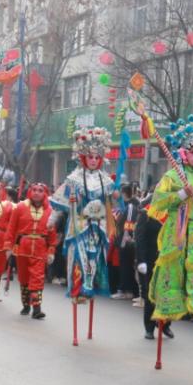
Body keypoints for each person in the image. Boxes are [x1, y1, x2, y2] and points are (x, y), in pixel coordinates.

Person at [147, 116, 193, 327]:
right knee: (173, 268)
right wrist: (181, 194)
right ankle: (168, 309)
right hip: (178, 230)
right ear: (183, 153)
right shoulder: (173, 176)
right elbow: (157, 203)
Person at [52, 127, 123, 304]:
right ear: (83, 157)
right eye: (90, 157)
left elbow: (114, 204)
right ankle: (77, 289)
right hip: (79, 224)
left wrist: (115, 196)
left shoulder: (105, 180)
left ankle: (90, 286)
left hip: (99, 226)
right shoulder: (74, 178)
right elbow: (61, 204)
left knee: (95, 257)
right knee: (78, 256)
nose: (93, 160)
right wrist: (52, 220)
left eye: (97, 157)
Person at [8, 182, 58, 319]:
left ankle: (37, 308)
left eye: (40, 190)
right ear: (30, 192)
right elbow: (11, 228)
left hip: (40, 248)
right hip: (23, 247)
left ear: (45, 193)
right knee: (24, 278)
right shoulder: (19, 207)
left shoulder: (50, 211)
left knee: (37, 278)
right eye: (34, 190)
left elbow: (52, 233)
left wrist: (51, 250)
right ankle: (26, 304)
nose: (37, 192)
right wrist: (8, 247)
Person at [135, 196, 170, 339]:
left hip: (167, 259)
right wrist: (141, 260)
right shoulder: (146, 213)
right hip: (150, 259)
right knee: (150, 294)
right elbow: (140, 238)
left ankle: (165, 324)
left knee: (168, 293)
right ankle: (149, 327)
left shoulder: (171, 213)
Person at [114, 183, 138, 299]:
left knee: (125, 266)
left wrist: (124, 241)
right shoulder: (128, 205)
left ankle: (125, 290)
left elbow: (128, 224)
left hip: (126, 241)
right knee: (127, 266)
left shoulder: (130, 206)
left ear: (123, 193)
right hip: (126, 241)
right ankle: (130, 290)